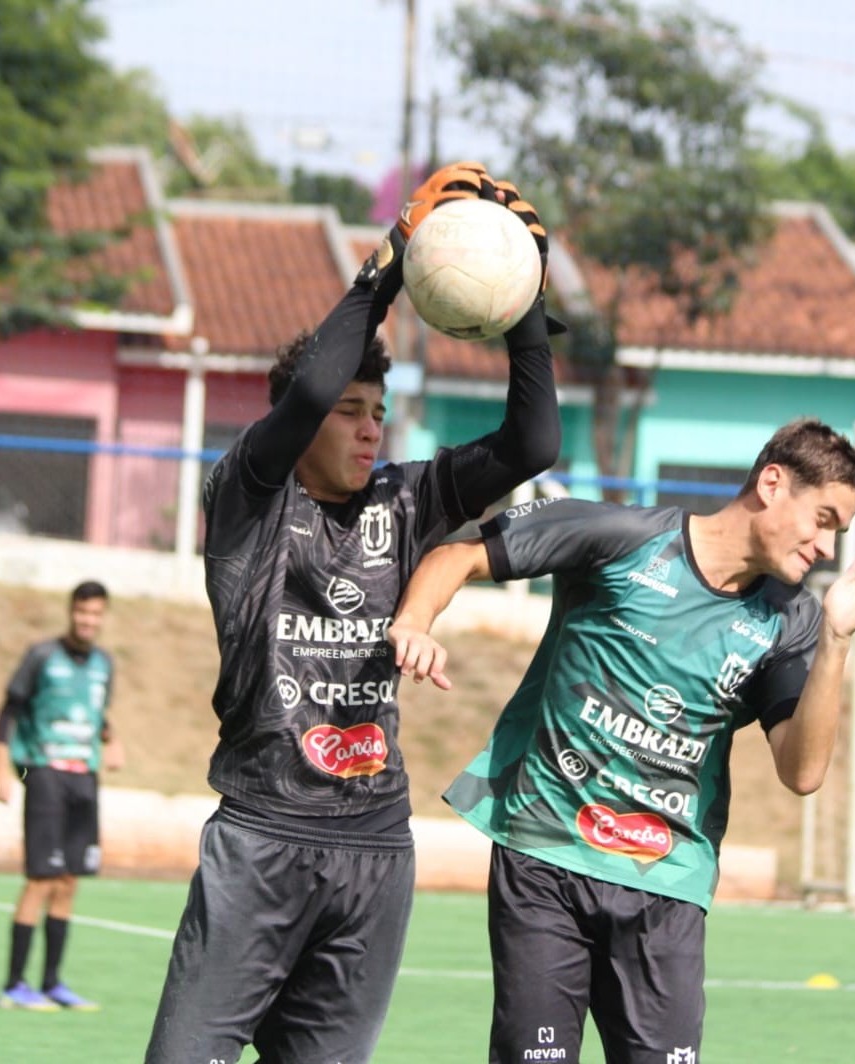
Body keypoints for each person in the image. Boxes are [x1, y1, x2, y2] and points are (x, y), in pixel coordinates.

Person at [144, 162, 562, 1064]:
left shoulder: (407, 503)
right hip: (261, 834)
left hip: (374, 850)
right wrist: (387, 269)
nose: (370, 429)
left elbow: (534, 443)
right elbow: (300, 395)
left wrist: (523, 294)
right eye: (349, 413)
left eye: (378, 412)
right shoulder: (251, 502)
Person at [390, 417, 855, 1064]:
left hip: (667, 883)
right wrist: (413, 622)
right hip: (545, 856)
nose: (827, 546)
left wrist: (836, 642)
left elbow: (801, 772)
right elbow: (456, 554)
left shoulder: (790, 619)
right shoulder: (621, 538)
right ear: (772, 483)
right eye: (822, 518)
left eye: (839, 531)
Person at [0, 579, 121, 1012]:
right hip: (44, 773)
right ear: (72, 612)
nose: (88, 620)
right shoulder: (42, 656)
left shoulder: (104, 663)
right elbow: (8, 710)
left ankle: (51, 984)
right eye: (82, 612)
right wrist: (1, 769)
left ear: (102, 617)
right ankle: (14, 985)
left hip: (84, 777)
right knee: (41, 879)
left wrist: (112, 739)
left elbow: (97, 711)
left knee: (68, 881)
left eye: (95, 614)